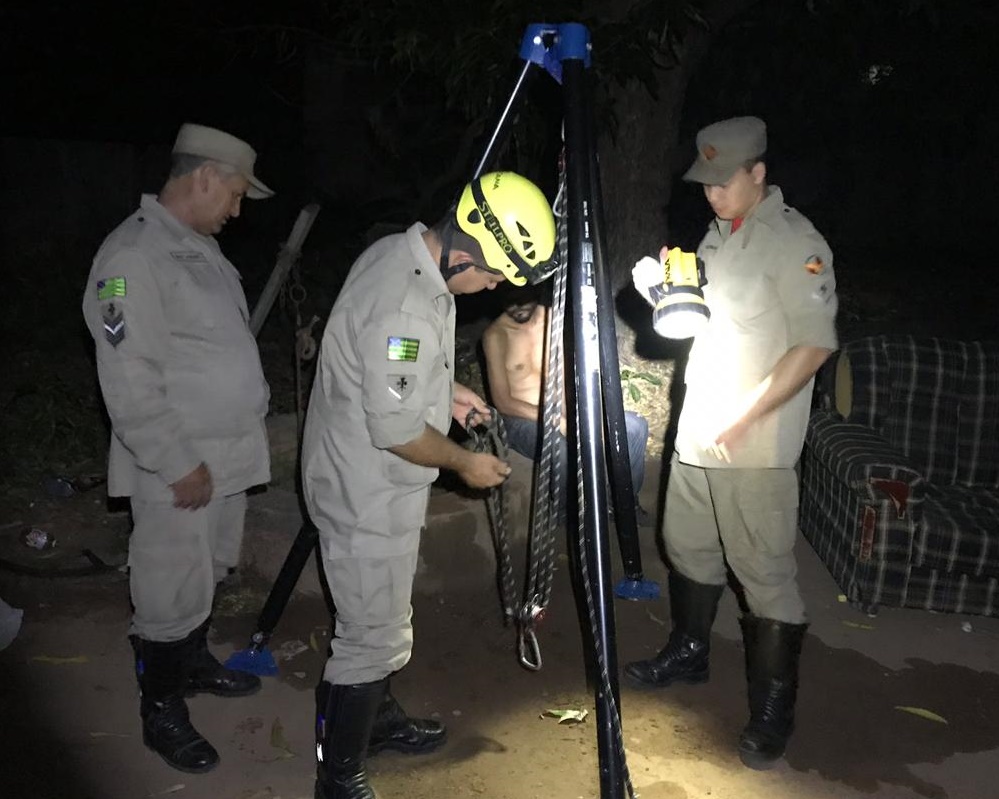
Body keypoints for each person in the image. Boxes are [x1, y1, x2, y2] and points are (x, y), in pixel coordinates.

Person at [301, 171, 557, 799]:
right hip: (366, 485)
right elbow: (394, 428)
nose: (493, 288)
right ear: (466, 251)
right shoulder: (407, 304)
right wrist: (465, 465)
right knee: (369, 635)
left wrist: (451, 395)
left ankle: (378, 722)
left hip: (370, 476)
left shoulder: (402, 254)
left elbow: (393, 373)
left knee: (381, 612)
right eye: (494, 274)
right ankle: (338, 777)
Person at [627, 116, 838, 770]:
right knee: (685, 545)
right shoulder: (715, 239)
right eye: (704, 183)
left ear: (757, 175)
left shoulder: (795, 243)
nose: (712, 195)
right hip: (698, 430)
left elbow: (812, 345)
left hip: (754, 444)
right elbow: (702, 326)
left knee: (764, 576)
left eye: (724, 182)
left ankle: (772, 710)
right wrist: (659, 294)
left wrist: (746, 414)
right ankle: (689, 653)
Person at [81, 123, 274, 774]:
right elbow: (126, 372)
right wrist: (174, 460)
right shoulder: (130, 258)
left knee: (207, 572)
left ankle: (192, 664)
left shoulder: (196, 248)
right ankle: (160, 708)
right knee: (166, 588)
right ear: (205, 178)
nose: (237, 209)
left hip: (222, 455)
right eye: (237, 194)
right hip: (178, 464)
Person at [481, 290, 653, 525]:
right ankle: (566, 514)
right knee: (561, 447)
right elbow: (503, 402)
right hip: (520, 418)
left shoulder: (555, 319)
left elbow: (569, 376)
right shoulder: (495, 335)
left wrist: (580, 415)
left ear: (536, 289)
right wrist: (557, 421)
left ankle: (624, 503)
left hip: (562, 410)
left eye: (522, 295)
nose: (517, 306)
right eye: (509, 299)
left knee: (634, 427)